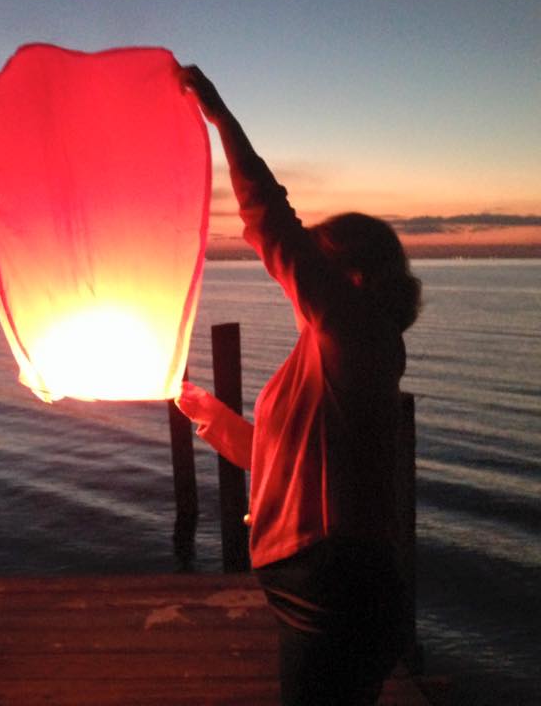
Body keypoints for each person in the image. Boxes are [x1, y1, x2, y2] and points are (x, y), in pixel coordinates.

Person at [176, 66, 421, 705]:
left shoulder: (361, 339)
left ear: (357, 280)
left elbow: (271, 223)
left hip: (339, 594)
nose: (301, 265)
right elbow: (274, 458)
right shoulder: (325, 354)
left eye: (320, 255)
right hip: (315, 593)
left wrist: (220, 118)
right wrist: (207, 413)